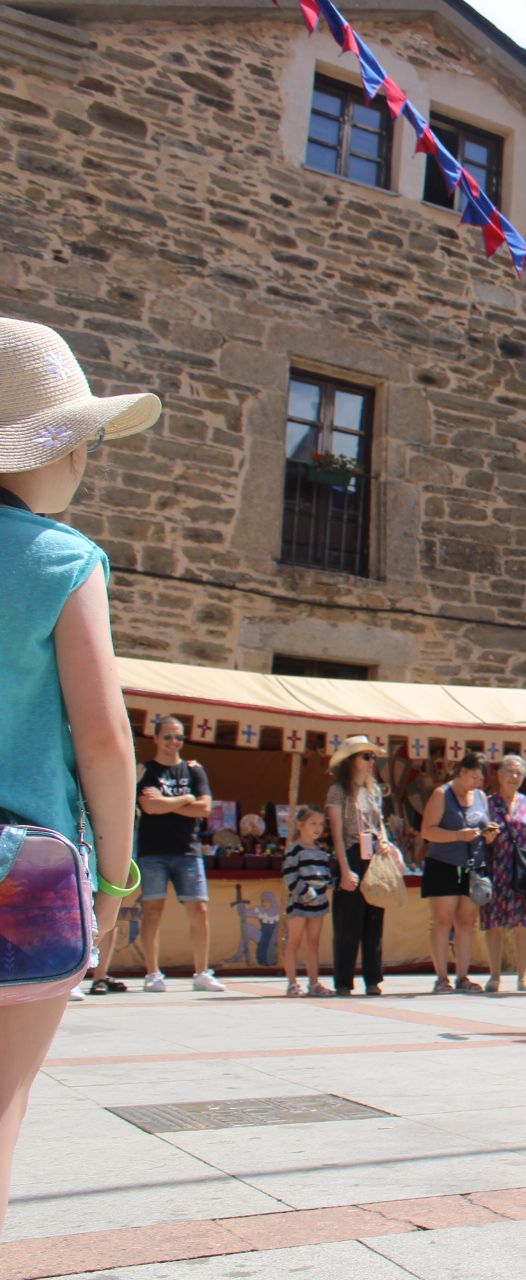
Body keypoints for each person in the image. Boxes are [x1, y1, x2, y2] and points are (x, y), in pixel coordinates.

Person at [0, 316, 146, 1228]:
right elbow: (104, 738)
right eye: (79, 444)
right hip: (25, 874)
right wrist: (118, 878)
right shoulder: (62, 560)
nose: (87, 461)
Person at [134, 715, 220, 993]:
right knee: (153, 911)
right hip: (153, 851)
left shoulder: (194, 770)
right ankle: (152, 973)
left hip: (189, 850)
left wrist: (166, 803)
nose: (174, 742)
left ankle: (202, 971)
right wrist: (184, 800)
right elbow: (149, 807)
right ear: (156, 738)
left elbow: (205, 808)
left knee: (199, 910)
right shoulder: (146, 770)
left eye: (179, 737)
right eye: (168, 736)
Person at [327, 737, 403, 997]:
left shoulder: (374, 791)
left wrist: (384, 842)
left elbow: (379, 822)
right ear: (352, 761)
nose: (372, 762)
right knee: (348, 923)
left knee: (374, 920)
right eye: (366, 757)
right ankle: (344, 981)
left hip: (372, 853)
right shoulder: (338, 790)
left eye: (373, 757)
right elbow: (336, 833)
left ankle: (373, 978)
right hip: (350, 853)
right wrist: (345, 868)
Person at [418, 753, 496, 993]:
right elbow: (427, 831)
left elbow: (483, 825)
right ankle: (442, 977)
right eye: (473, 777)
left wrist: (489, 835)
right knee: (442, 920)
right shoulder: (443, 794)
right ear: (461, 771)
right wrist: (456, 836)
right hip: (443, 863)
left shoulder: (480, 797)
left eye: (480, 779)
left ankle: (463, 975)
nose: (476, 783)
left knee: (467, 922)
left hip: (473, 865)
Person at [481, 754, 526, 993]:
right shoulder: (487, 803)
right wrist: (486, 837)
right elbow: (478, 836)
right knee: (494, 923)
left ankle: (523, 976)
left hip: (525, 871)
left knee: (525, 923)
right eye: (509, 771)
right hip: (496, 868)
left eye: (519, 772)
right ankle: (494, 976)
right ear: (498, 774)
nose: (514, 776)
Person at [279, 805, 332, 997]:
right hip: (300, 902)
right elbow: (290, 875)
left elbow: (325, 873)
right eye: (313, 823)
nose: (317, 828)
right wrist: (305, 893)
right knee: (294, 941)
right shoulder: (294, 849)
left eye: (320, 824)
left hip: (319, 902)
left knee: (313, 942)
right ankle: (292, 983)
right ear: (300, 825)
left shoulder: (321, 850)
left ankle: (314, 983)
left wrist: (325, 888)